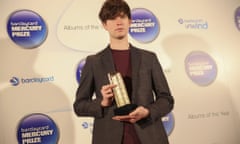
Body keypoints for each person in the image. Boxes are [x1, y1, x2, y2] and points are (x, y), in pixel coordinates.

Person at [73, 0, 174, 144]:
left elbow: (166, 100)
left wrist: (147, 111)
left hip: (149, 137)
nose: (118, 22)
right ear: (104, 25)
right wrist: (102, 102)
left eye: (122, 17)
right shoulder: (94, 62)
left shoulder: (149, 58)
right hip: (109, 138)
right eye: (113, 18)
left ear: (130, 21)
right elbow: (79, 106)